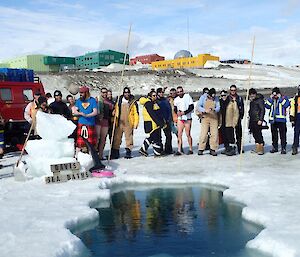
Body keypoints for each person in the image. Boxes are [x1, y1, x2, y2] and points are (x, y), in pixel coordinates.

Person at [111, 87, 139, 159]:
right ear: (123, 93)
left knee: (129, 138)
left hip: (129, 122)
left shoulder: (133, 102)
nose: (126, 94)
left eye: (128, 92)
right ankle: (115, 152)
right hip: (119, 122)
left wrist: (136, 123)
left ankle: (128, 151)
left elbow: (136, 113)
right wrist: (114, 112)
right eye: (125, 92)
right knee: (117, 138)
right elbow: (116, 109)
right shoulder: (119, 101)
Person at [139, 90, 165, 157]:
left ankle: (143, 149)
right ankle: (157, 153)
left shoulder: (154, 103)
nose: (155, 97)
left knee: (153, 137)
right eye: (153, 95)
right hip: (152, 124)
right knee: (156, 138)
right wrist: (161, 123)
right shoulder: (149, 103)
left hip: (155, 123)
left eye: (156, 95)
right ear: (150, 96)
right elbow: (153, 115)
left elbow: (158, 113)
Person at [265, 87, 290, 154]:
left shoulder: (284, 98)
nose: (275, 96)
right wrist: (270, 98)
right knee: (274, 135)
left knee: (283, 135)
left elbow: (287, 105)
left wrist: (280, 98)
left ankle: (283, 148)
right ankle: (275, 147)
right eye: (274, 94)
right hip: (273, 120)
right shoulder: (271, 99)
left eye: (276, 94)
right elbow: (267, 106)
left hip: (281, 120)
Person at [73, 86, 98, 153]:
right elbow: (74, 111)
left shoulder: (92, 100)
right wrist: (79, 113)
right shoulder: (78, 101)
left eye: (82, 93)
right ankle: (78, 157)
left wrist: (87, 115)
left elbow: (95, 112)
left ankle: (91, 157)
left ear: (86, 93)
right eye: (80, 93)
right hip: (81, 123)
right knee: (80, 143)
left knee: (91, 143)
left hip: (90, 124)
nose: (80, 94)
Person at [196, 88, 220, 156]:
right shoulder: (203, 97)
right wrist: (204, 110)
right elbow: (198, 107)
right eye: (211, 96)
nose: (212, 98)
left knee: (214, 133)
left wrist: (215, 110)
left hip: (214, 117)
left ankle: (213, 149)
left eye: (213, 97)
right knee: (204, 133)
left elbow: (218, 107)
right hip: (205, 117)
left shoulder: (216, 98)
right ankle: (201, 148)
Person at [222, 85, 244, 155]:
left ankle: (240, 148)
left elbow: (242, 107)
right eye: (231, 90)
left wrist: (241, 115)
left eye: (234, 90)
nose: (233, 92)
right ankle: (230, 148)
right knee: (229, 134)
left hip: (237, 118)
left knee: (239, 134)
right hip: (229, 118)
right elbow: (223, 107)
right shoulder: (227, 98)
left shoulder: (239, 98)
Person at [173, 86, 194, 155]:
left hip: (187, 118)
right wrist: (178, 113)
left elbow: (191, 107)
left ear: (183, 91)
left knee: (188, 134)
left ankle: (190, 149)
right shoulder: (176, 99)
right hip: (180, 119)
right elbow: (175, 108)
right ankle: (179, 149)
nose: (180, 93)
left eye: (181, 91)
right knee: (179, 134)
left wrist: (184, 112)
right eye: (178, 92)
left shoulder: (187, 97)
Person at [96, 87, 114, 160]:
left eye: (105, 92)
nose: (104, 93)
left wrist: (114, 110)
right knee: (97, 138)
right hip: (97, 121)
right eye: (103, 92)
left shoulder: (109, 102)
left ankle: (100, 155)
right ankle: (94, 154)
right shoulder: (97, 100)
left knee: (103, 139)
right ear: (101, 93)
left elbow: (113, 109)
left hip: (105, 121)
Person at [248, 88, 265, 155]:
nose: (252, 96)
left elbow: (262, 110)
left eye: (253, 95)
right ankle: (257, 148)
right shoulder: (252, 101)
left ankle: (261, 148)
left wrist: (260, 119)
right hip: (252, 120)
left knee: (258, 134)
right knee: (254, 134)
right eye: (251, 95)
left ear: (255, 94)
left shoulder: (259, 100)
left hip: (257, 120)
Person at [157, 87, 173, 154]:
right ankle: (159, 149)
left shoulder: (165, 100)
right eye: (160, 92)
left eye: (162, 92)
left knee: (169, 136)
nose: (161, 93)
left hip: (167, 120)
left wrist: (169, 118)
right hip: (159, 121)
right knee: (158, 137)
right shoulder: (156, 101)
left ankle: (168, 149)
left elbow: (169, 110)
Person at [290, 85, 300, 155]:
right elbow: (292, 108)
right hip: (298, 116)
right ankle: (295, 147)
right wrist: (292, 118)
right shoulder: (296, 98)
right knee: (296, 132)